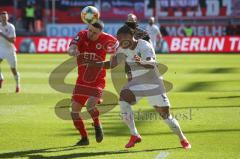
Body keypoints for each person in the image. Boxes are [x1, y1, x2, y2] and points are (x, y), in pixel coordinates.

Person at [88, 25, 191, 149]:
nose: (119, 42)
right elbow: (112, 63)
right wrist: (94, 65)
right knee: (123, 99)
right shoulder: (122, 48)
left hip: (153, 83)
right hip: (137, 83)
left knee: (165, 116)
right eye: (118, 39)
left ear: (131, 37)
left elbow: (152, 63)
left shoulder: (144, 46)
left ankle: (182, 139)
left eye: (122, 38)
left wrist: (141, 62)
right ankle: (134, 134)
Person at [68, 20, 118, 146]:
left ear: (101, 33)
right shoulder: (82, 35)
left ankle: (97, 124)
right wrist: (73, 51)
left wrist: (115, 57)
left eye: (95, 33)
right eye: (90, 30)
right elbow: (71, 48)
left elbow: (119, 50)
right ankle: (84, 138)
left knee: (90, 105)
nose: (91, 34)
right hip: (81, 81)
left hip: (97, 80)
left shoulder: (107, 39)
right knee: (74, 112)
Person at [0, 11, 20, 92]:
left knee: (13, 69)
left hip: (10, 50)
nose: (4, 18)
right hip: (1, 49)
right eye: (2, 17)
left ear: (7, 18)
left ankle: (17, 85)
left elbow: (13, 40)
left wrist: (2, 35)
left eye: (5, 17)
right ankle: (1, 78)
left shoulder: (11, 27)